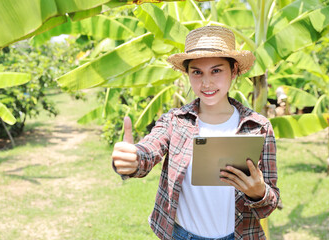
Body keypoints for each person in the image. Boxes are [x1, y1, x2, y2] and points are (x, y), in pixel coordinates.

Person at [112, 26, 279, 240]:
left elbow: (271, 200)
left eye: (216, 70)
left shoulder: (259, 127)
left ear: (234, 70)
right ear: (188, 74)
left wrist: (259, 192)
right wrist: (133, 158)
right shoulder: (175, 121)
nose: (206, 82)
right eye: (197, 72)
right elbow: (149, 150)